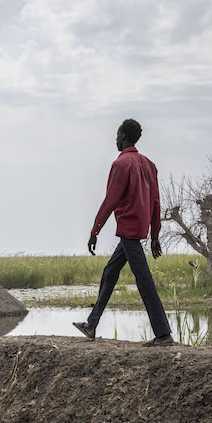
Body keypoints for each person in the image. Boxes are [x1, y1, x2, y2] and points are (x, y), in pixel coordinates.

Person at [73, 119, 175, 347]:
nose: (115, 139)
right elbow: (156, 202)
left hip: (129, 230)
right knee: (110, 272)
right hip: (136, 229)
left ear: (123, 136)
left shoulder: (122, 164)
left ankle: (163, 334)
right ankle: (91, 324)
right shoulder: (149, 164)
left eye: (117, 134)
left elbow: (111, 200)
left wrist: (95, 229)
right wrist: (155, 233)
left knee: (144, 280)